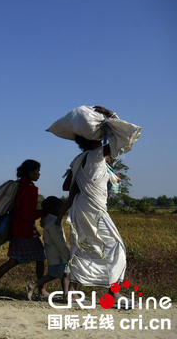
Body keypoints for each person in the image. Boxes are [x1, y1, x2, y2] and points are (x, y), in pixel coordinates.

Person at [62, 106, 128, 306]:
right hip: (95, 210)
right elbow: (123, 139)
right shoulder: (98, 155)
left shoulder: (78, 159)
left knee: (82, 248)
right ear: (94, 139)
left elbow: (68, 186)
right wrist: (112, 116)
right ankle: (114, 294)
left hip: (80, 209)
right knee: (116, 248)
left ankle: (71, 292)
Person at [0, 160, 46, 298]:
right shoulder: (31, 189)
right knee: (38, 258)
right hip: (26, 231)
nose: (39, 174)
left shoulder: (18, 186)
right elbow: (27, 214)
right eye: (37, 171)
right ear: (30, 172)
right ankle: (41, 290)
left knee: (17, 260)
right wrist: (44, 212)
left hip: (16, 228)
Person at [26, 196, 70, 301]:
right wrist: (67, 254)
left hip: (53, 253)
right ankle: (33, 286)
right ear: (52, 209)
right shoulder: (54, 222)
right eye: (60, 208)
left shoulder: (48, 221)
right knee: (60, 274)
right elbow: (59, 241)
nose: (61, 211)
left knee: (62, 274)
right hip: (58, 254)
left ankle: (66, 296)